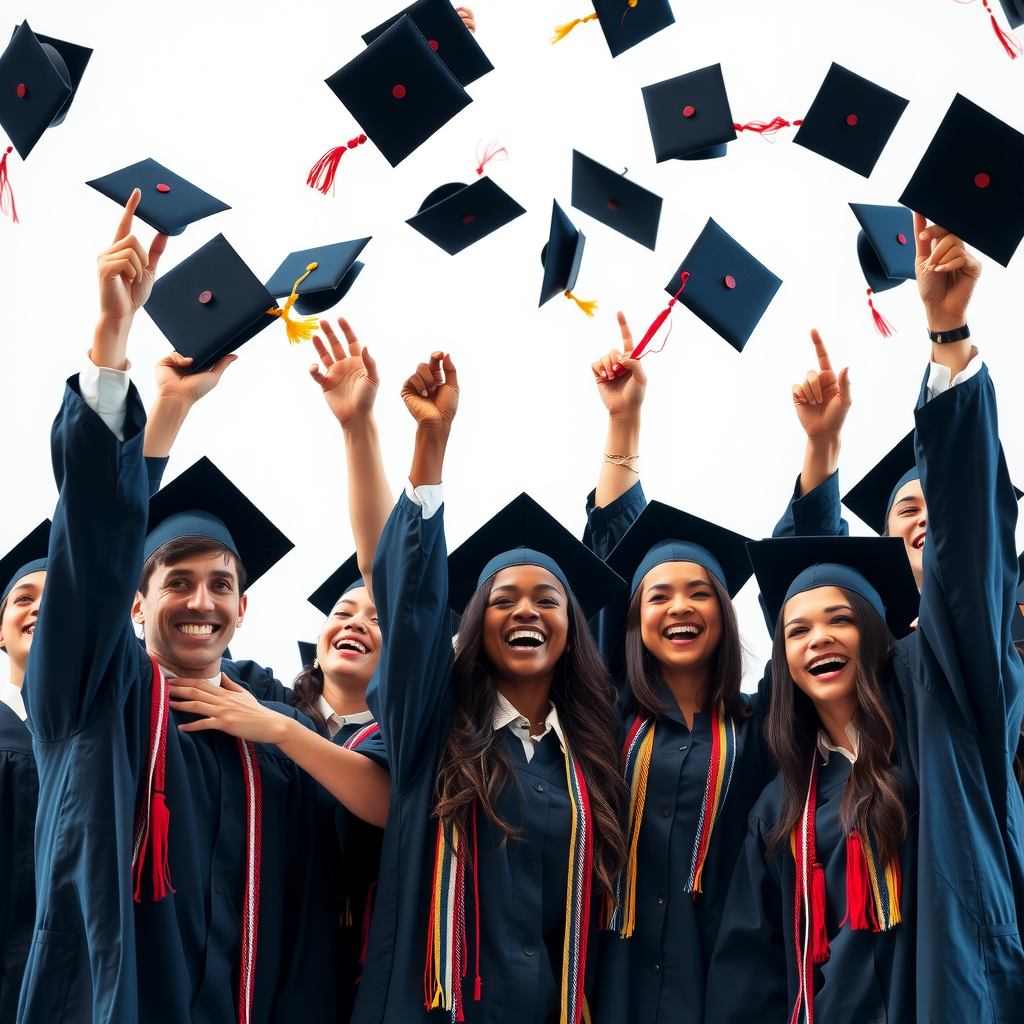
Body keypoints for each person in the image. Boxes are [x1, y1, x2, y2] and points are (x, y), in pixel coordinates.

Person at [18, 191, 383, 1024]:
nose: (200, 600)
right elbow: (92, 544)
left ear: (246, 609)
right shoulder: (94, 691)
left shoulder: (272, 727)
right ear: (135, 605)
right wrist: (121, 349)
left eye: (221, 584)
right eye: (176, 581)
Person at [706, 219, 1024, 1023]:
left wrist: (947, 337)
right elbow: (753, 967)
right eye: (797, 628)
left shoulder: (940, 699)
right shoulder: (781, 805)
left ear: (881, 632)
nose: (816, 637)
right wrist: (819, 451)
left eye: (838, 619)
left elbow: (971, 567)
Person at [340, 348, 628, 1024]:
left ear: (573, 629)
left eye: (546, 600)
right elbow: (409, 607)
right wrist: (430, 445)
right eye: (502, 600)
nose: (525, 610)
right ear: (473, 624)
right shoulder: (431, 732)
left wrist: (623, 431)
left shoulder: (594, 759)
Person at [581, 317, 850, 1024]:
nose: (681, 607)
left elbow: (810, 599)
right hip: (612, 986)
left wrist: (820, 445)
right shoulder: (605, 718)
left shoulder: (768, 728)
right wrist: (624, 422)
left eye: (701, 592)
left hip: (732, 986)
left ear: (726, 618)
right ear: (634, 621)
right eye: (659, 596)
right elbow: (608, 557)